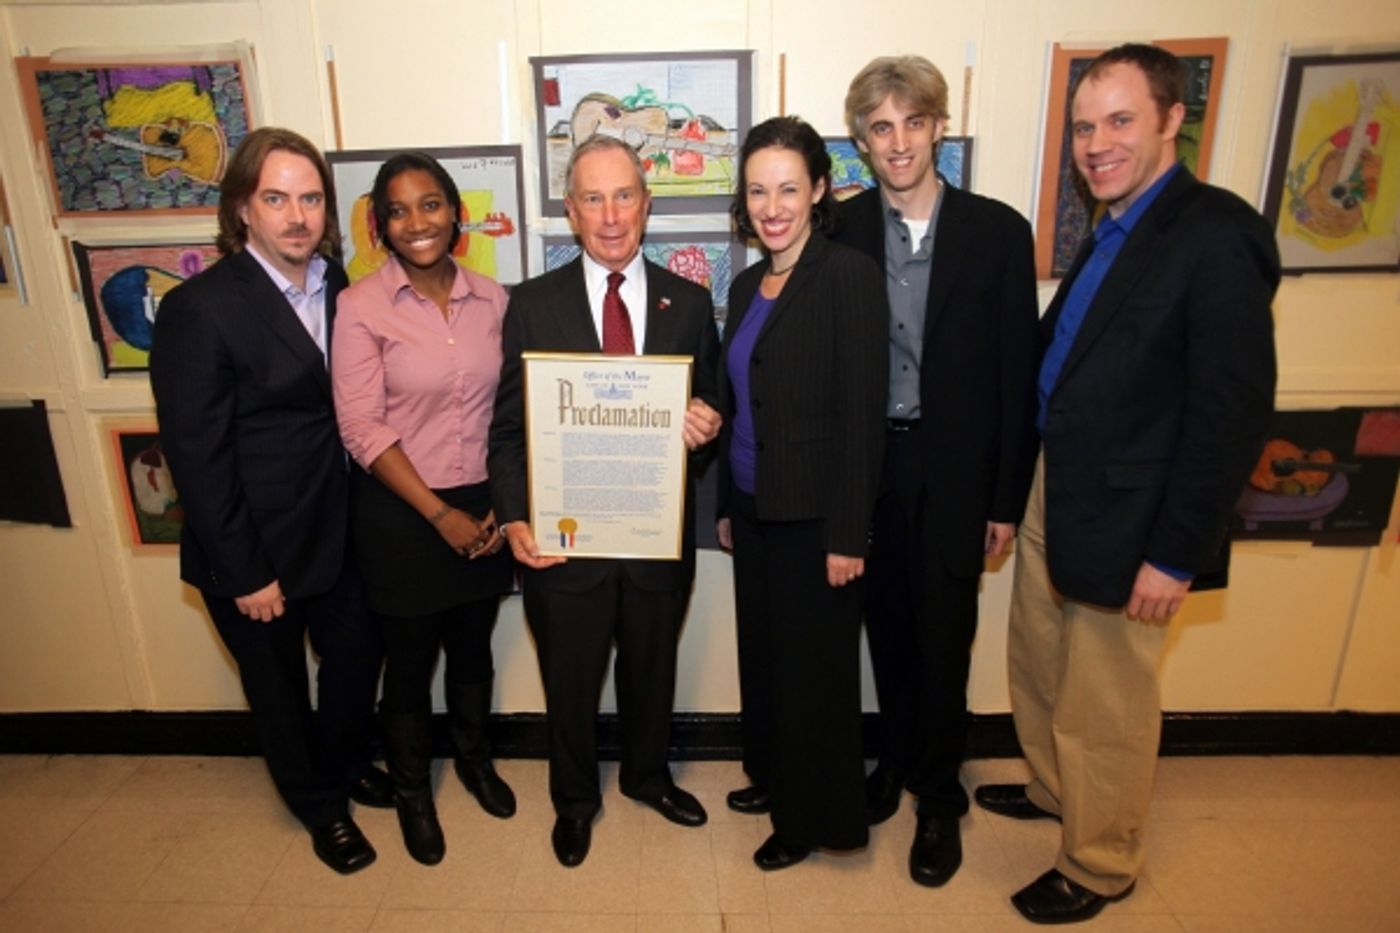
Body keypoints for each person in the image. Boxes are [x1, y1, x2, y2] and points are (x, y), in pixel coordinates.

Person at [974, 44, 1278, 924]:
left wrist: (1176, 555)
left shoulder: (1216, 234)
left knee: (1104, 699)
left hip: (1135, 517)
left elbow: (1229, 414)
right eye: (1082, 126)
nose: (1096, 143)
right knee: (1037, 661)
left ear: (1173, 119)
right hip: (1055, 487)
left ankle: (1101, 861)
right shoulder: (1113, 226)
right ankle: (1057, 791)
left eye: (1119, 120)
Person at [150, 127, 396, 875]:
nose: (298, 215)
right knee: (281, 689)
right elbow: (197, 455)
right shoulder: (202, 308)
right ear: (243, 210)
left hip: (340, 528)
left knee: (357, 658)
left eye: (312, 198)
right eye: (277, 198)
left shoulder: (344, 288)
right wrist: (245, 569)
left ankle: (345, 761)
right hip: (255, 548)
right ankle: (319, 805)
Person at [487, 134, 723, 868]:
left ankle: (649, 777)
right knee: (571, 678)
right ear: (570, 209)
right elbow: (506, 429)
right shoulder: (530, 304)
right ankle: (574, 799)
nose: (611, 215)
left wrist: (708, 422)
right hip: (566, 541)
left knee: (653, 670)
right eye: (593, 198)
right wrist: (517, 515)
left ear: (647, 205)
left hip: (657, 538)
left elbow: (713, 403)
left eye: (625, 196)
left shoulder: (687, 303)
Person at [833, 56, 1040, 887]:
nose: (899, 142)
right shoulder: (841, 230)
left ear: (939, 128)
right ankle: (893, 764)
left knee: (945, 638)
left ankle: (939, 797)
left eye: (913, 122)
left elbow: (1016, 378)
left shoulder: (996, 232)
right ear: (860, 142)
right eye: (881, 127)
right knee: (884, 628)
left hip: (956, 472)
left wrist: (1004, 498)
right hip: (872, 466)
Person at [332, 152, 516, 866]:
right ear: (380, 226)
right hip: (404, 511)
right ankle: (412, 789)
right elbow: (362, 427)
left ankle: (473, 760)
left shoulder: (495, 301)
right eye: (400, 210)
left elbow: (509, 412)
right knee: (408, 663)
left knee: (473, 648)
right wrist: (440, 514)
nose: (418, 222)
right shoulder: (360, 307)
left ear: (456, 214)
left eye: (431, 204)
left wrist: (505, 502)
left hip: (485, 504)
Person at [717, 116, 888, 871]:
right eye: (758, 190)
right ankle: (778, 778)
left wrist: (850, 532)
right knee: (766, 660)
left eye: (788, 187)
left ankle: (813, 818)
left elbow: (863, 411)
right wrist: (726, 500)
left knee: (812, 675)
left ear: (820, 189)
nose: (772, 205)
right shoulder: (748, 282)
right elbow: (741, 398)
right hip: (755, 507)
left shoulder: (846, 274)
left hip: (818, 516)